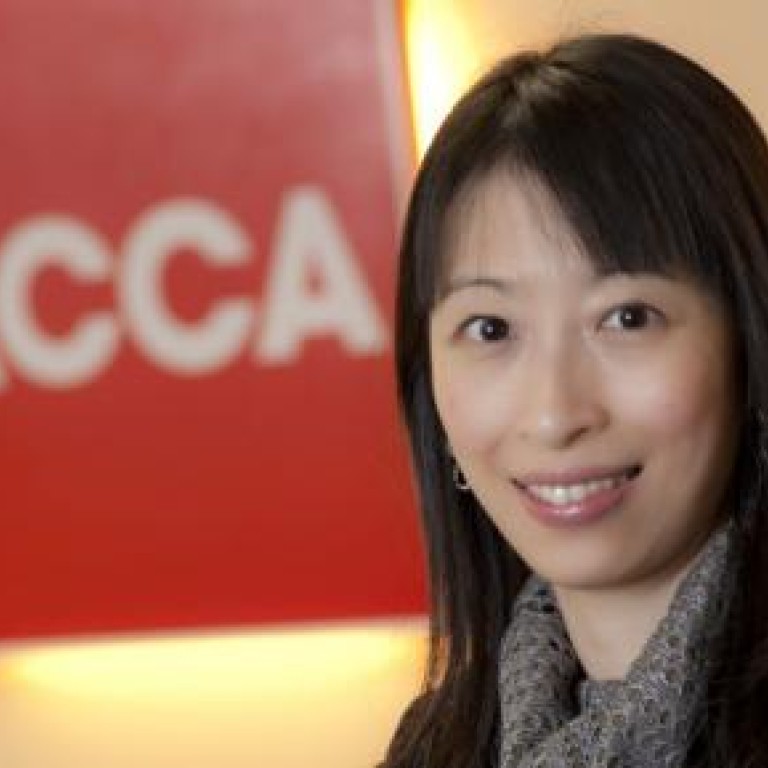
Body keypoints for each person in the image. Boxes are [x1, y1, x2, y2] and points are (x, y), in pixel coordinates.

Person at [382, 33, 768, 768]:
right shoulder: (436, 746)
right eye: (491, 328)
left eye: (627, 317)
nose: (555, 415)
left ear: (750, 338)